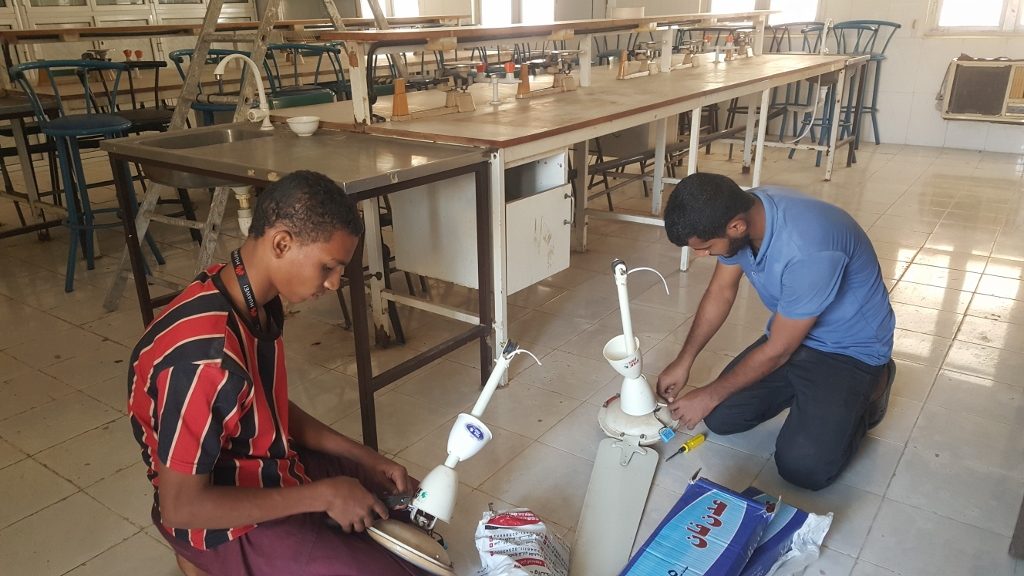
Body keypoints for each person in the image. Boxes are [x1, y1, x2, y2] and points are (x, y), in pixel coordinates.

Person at [128, 170, 425, 575]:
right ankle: (201, 560)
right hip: (216, 519)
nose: (335, 283)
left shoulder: (250, 294)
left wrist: (365, 457)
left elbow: (265, 404)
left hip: (265, 463)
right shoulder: (204, 359)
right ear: (282, 243)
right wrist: (321, 496)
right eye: (328, 267)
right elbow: (181, 507)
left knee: (408, 502)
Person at [658, 173, 896, 491]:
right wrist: (684, 360)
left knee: (804, 468)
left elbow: (779, 351)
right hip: (794, 334)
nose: (701, 255)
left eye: (706, 247)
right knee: (721, 417)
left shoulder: (810, 249)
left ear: (736, 227)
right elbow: (720, 291)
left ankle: (874, 385)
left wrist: (709, 393)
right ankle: (810, 398)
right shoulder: (742, 210)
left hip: (850, 351)